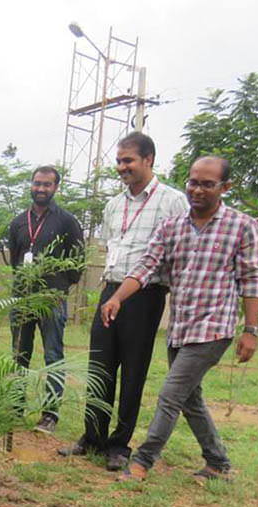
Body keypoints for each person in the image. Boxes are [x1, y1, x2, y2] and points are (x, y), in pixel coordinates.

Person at [101, 156, 258, 482]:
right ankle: (218, 463)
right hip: (180, 328)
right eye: (193, 182)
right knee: (190, 399)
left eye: (207, 184)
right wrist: (117, 297)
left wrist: (251, 330)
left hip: (214, 328)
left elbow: (251, 279)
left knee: (171, 395)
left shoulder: (242, 226)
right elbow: (147, 266)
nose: (197, 190)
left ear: (225, 187)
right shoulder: (171, 227)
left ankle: (142, 463)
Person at [59, 132, 188, 469]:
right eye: (118, 161)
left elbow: (181, 252)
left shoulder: (172, 201)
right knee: (99, 367)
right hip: (110, 290)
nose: (121, 167)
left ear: (148, 159)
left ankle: (119, 445)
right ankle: (92, 437)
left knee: (133, 372)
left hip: (146, 295)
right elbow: (109, 246)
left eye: (128, 160)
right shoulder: (113, 205)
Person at [6, 165, 83, 434]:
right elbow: (15, 259)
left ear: (55, 187)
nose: (40, 188)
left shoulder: (67, 221)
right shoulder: (18, 222)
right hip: (21, 299)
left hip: (52, 300)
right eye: (37, 183)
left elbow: (77, 262)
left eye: (46, 184)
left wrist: (58, 286)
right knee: (19, 354)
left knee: (53, 356)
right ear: (31, 184)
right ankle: (15, 407)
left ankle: (50, 414)